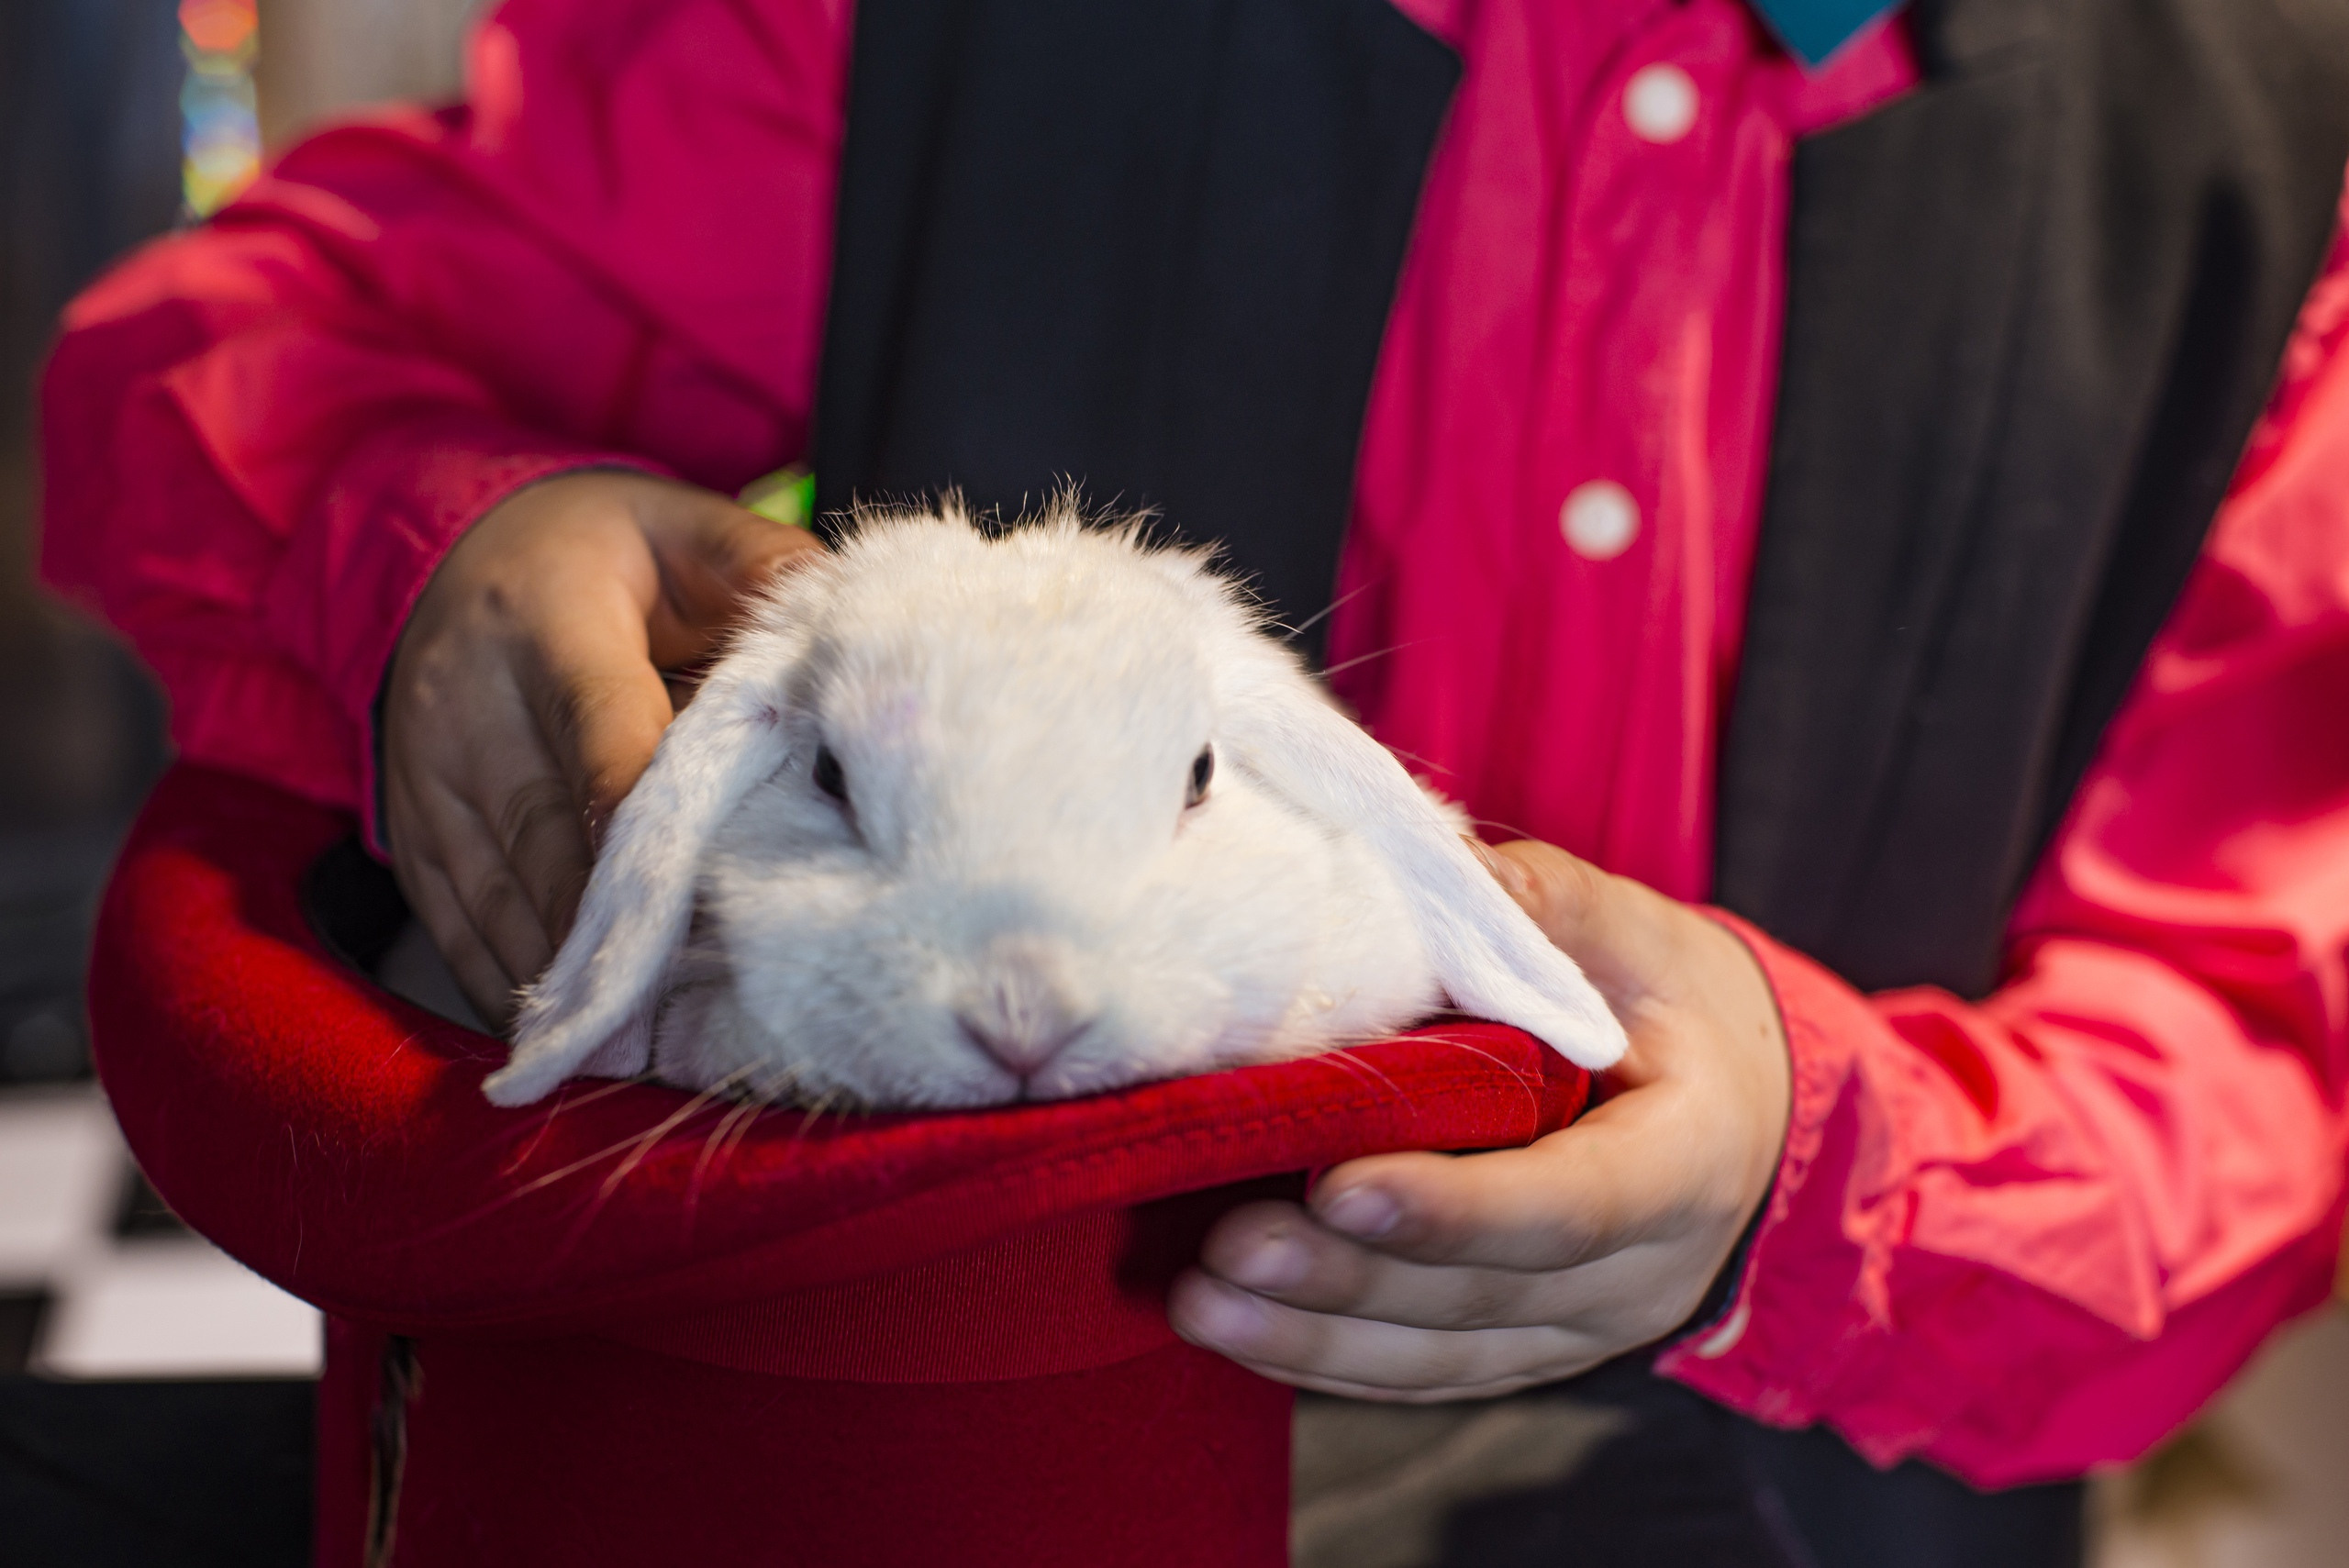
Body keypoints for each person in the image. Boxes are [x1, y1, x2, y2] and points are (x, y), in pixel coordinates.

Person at [39, 0, 2349, 1562]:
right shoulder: (889, 35)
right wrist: (437, 547)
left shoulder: (2276, 168)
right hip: (929, 1444)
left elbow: (2249, 1049)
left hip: (1810, 1493)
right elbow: (227, 355)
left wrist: (1813, 1169)